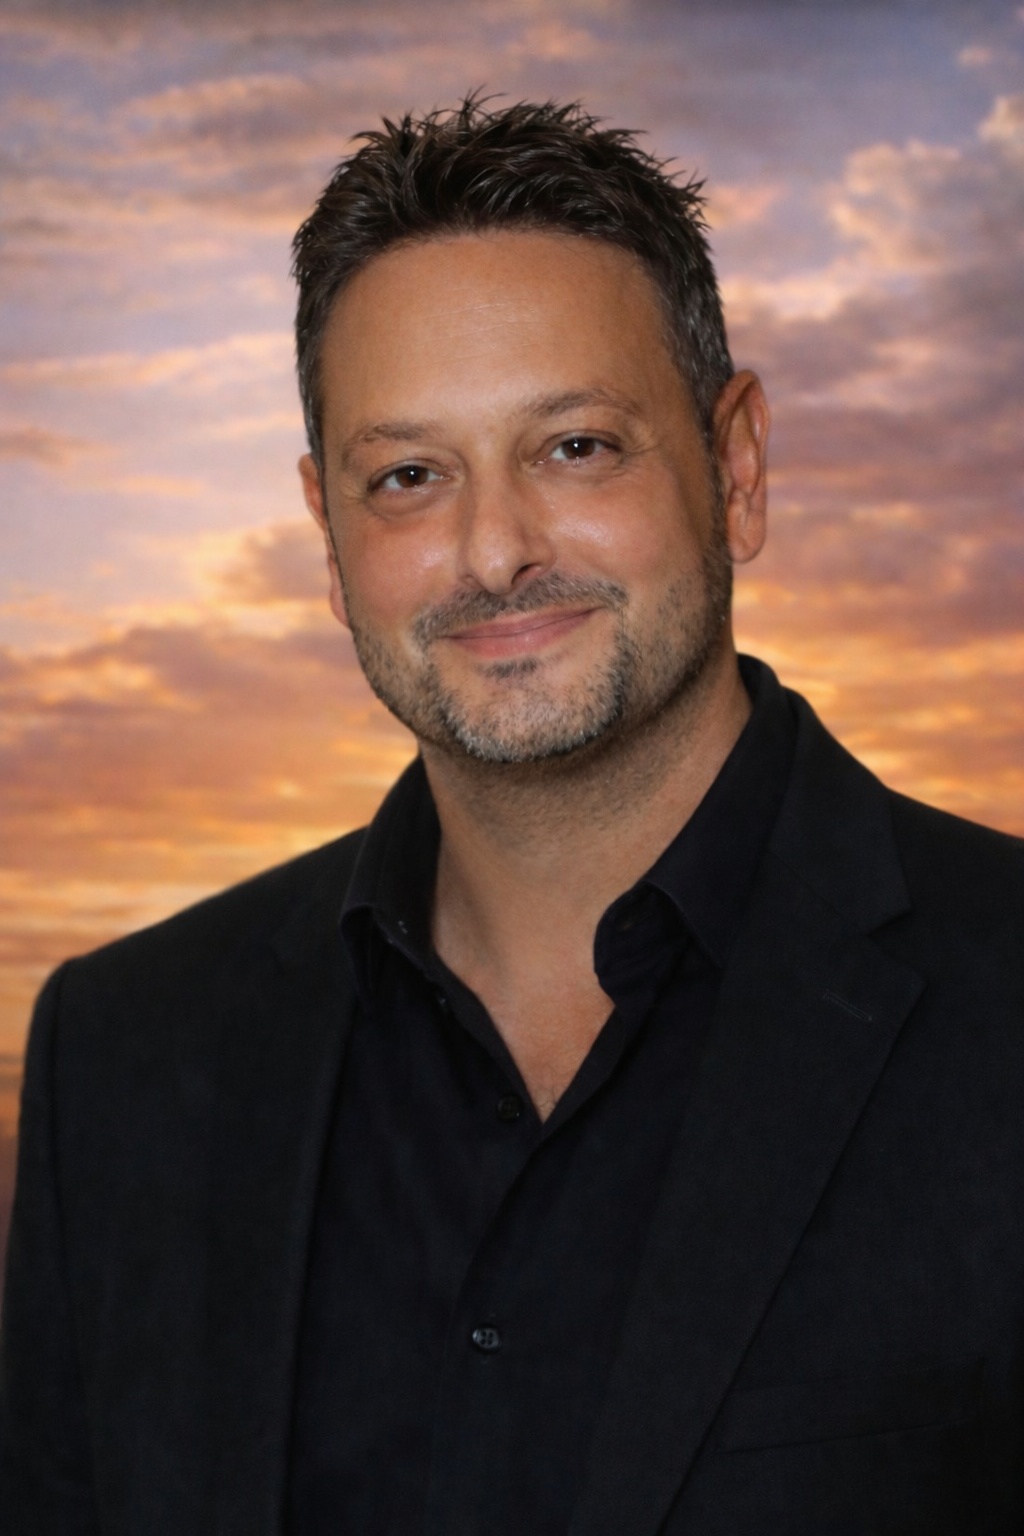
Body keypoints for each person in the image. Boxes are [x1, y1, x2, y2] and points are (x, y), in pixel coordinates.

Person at [1, 95, 1022, 1536]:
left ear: (737, 467)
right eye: (410, 477)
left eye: (576, 448)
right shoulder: (121, 1059)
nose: (494, 552)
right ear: (329, 538)